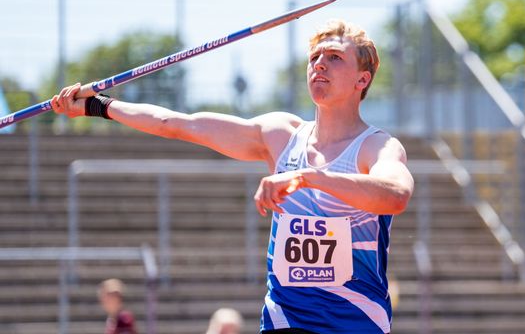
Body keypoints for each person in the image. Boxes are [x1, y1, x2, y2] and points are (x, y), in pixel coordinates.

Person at [52, 19, 414, 334]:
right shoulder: (281, 136)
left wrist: (308, 177)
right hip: (286, 318)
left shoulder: (376, 146)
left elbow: (395, 194)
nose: (319, 64)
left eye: (334, 57)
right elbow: (177, 124)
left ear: (361, 79)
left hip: (355, 322)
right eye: (314, 58)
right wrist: (98, 106)